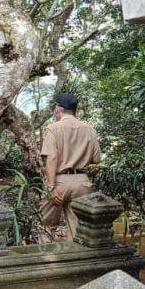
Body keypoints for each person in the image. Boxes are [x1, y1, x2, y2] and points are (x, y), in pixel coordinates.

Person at [40, 92, 102, 240]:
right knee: (78, 229)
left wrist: (51, 187)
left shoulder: (53, 129)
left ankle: (47, 254)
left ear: (58, 108)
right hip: (82, 182)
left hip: (58, 182)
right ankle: (77, 254)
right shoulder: (89, 129)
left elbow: (52, 158)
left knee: (47, 227)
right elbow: (96, 159)